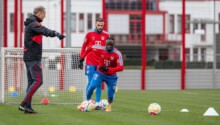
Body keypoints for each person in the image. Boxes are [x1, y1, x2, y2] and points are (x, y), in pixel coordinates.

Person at [18, 6, 65, 114]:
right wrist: (56, 33)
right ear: (39, 13)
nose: (45, 16)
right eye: (44, 14)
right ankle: (23, 103)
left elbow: (42, 30)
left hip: (29, 57)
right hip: (33, 58)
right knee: (38, 81)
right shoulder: (34, 24)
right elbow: (44, 30)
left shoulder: (31, 23)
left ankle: (27, 107)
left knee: (31, 82)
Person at [81, 38, 124, 112]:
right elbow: (90, 47)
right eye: (108, 44)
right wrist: (82, 57)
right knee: (92, 86)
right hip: (100, 73)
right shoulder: (100, 48)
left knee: (110, 94)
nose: (109, 46)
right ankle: (87, 102)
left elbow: (121, 67)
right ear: (105, 44)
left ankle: (109, 105)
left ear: (114, 45)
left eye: (111, 45)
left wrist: (108, 69)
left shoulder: (117, 53)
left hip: (111, 76)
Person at [78, 18, 110, 110]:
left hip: (101, 64)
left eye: (102, 25)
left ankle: (97, 104)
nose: (100, 27)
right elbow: (84, 46)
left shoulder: (106, 35)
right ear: (96, 24)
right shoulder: (89, 34)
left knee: (99, 83)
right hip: (90, 62)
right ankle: (86, 102)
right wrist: (81, 58)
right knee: (91, 82)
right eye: (99, 25)